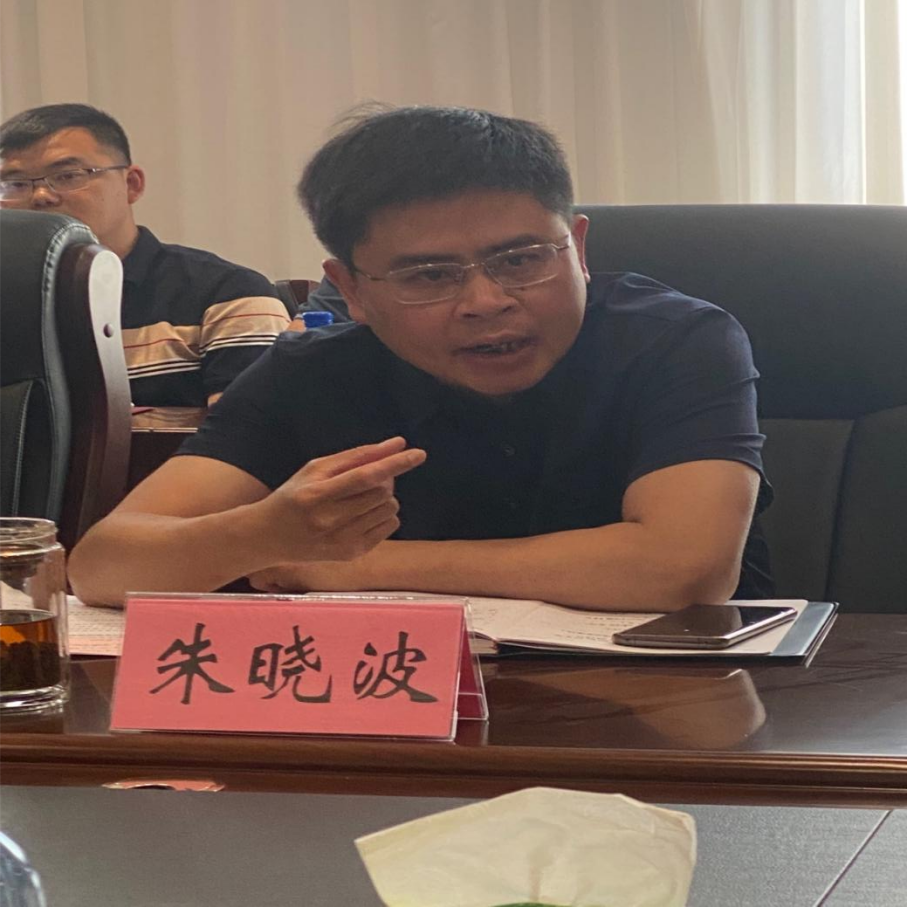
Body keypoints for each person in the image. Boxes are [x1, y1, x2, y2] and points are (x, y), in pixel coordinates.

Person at [69, 104, 772, 609]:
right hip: (401, 718)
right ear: (351, 289)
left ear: (579, 248)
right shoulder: (310, 372)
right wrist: (259, 533)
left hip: (690, 711)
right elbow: (103, 567)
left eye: (521, 259)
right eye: (430, 275)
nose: (486, 301)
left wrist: (351, 566)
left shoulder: (675, 341)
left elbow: (684, 569)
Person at [0, 103, 290, 406]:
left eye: (68, 175)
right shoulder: (10, 301)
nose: (41, 196)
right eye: (14, 184)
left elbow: (248, 431)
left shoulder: (229, 295)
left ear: (132, 184)